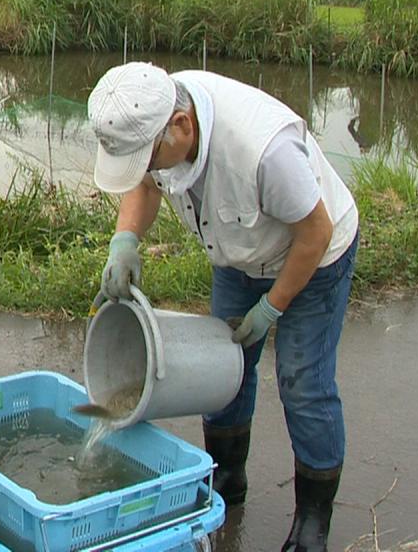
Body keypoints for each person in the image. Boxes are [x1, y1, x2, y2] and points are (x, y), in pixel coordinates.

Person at [90, 62, 359, 551]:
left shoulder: (262, 151)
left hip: (314, 255)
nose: (147, 167)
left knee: (303, 381)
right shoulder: (151, 114)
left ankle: (313, 521)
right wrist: (124, 241)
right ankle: (227, 482)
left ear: (183, 127)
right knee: (223, 366)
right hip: (238, 251)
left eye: (148, 157)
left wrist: (272, 308)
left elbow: (314, 232)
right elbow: (144, 182)